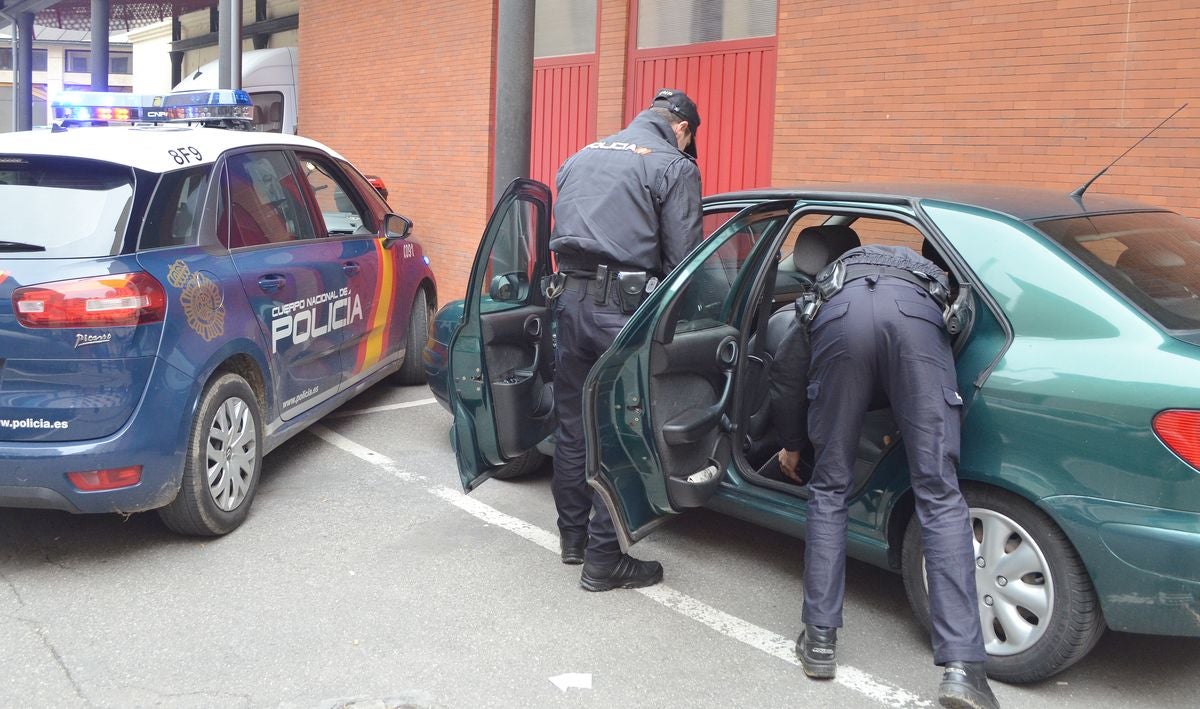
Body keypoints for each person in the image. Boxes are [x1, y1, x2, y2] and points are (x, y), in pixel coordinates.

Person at [782, 244, 1000, 709]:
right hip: (915, 323)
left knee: (829, 487)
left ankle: (819, 642)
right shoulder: (932, 279)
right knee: (939, 494)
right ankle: (963, 669)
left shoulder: (830, 280)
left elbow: (789, 371)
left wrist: (793, 443)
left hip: (840, 319)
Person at [548, 88, 704, 592]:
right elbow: (685, 263)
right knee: (620, 428)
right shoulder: (671, 165)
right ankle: (603, 559)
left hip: (568, 301)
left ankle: (573, 538)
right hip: (623, 310)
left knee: (574, 423)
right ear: (682, 128)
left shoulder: (580, 157)